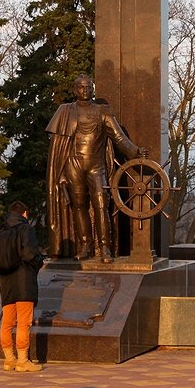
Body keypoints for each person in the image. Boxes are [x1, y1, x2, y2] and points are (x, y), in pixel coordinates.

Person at [46, 75, 147, 262]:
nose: (85, 90)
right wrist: (60, 173)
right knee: (79, 207)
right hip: (73, 164)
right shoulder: (65, 111)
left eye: (88, 87)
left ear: (93, 89)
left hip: (96, 165)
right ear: (75, 90)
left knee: (101, 205)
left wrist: (136, 152)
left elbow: (118, 138)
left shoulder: (103, 111)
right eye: (81, 87)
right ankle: (85, 246)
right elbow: (58, 145)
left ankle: (105, 247)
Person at [0, 201, 44, 372]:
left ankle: (9, 360)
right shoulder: (26, 229)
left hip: (5, 282)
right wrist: (39, 262)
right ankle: (23, 361)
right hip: (23, 281)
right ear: (24, 213)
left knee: (7, 322)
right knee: (24, 322)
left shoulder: (1, 232)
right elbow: (29, 253)